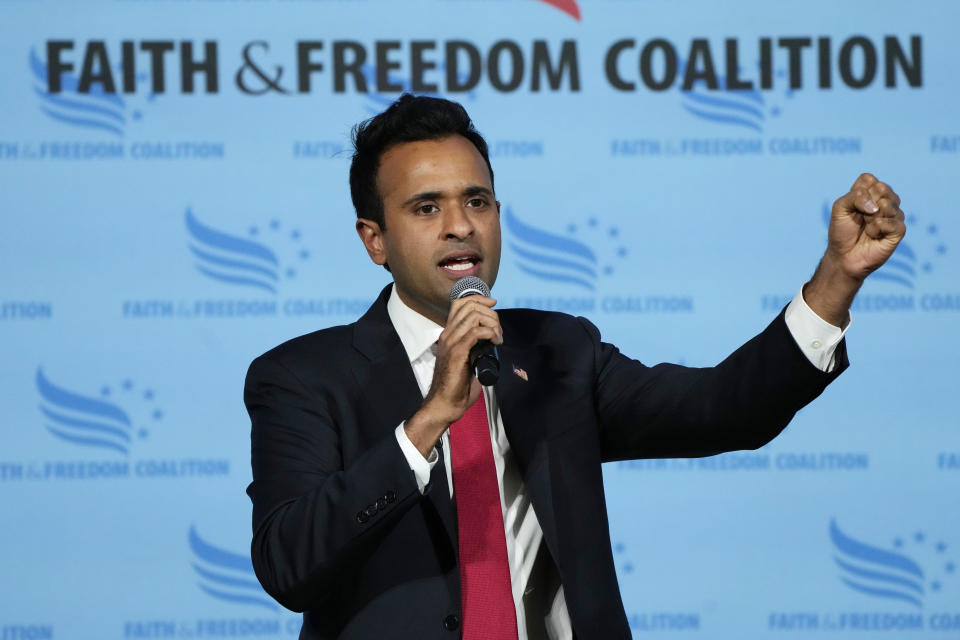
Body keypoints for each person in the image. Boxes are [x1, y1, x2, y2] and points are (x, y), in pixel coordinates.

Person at [244, 94, 905, 640]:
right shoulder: (304, 377)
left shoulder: (558, 351)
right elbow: (288, 564)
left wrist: (835, 281)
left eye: (477, 202)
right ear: (374, 240)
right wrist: (429, 422)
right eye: (427, 207)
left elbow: (723, 409)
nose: (460, 226)